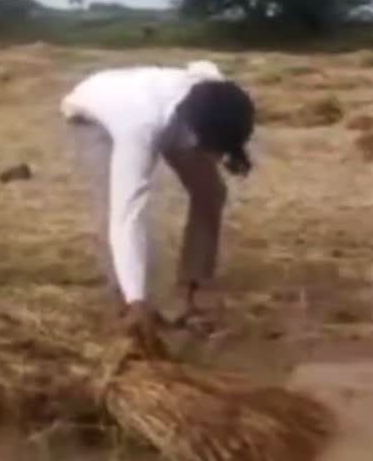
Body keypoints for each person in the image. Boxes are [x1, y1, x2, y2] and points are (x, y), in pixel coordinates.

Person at [59, 60, 256, 352]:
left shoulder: (212, 92)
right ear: (194, 132)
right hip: (90, 111)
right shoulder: (138, 126)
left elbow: (203, 67)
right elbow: (127, 214)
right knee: (119, 206)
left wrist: (232, 152)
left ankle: (192, 291)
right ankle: (131, 305)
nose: (215, 158)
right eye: (212, 149)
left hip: (153, 98)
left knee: (211, 191)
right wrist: (136, 299)